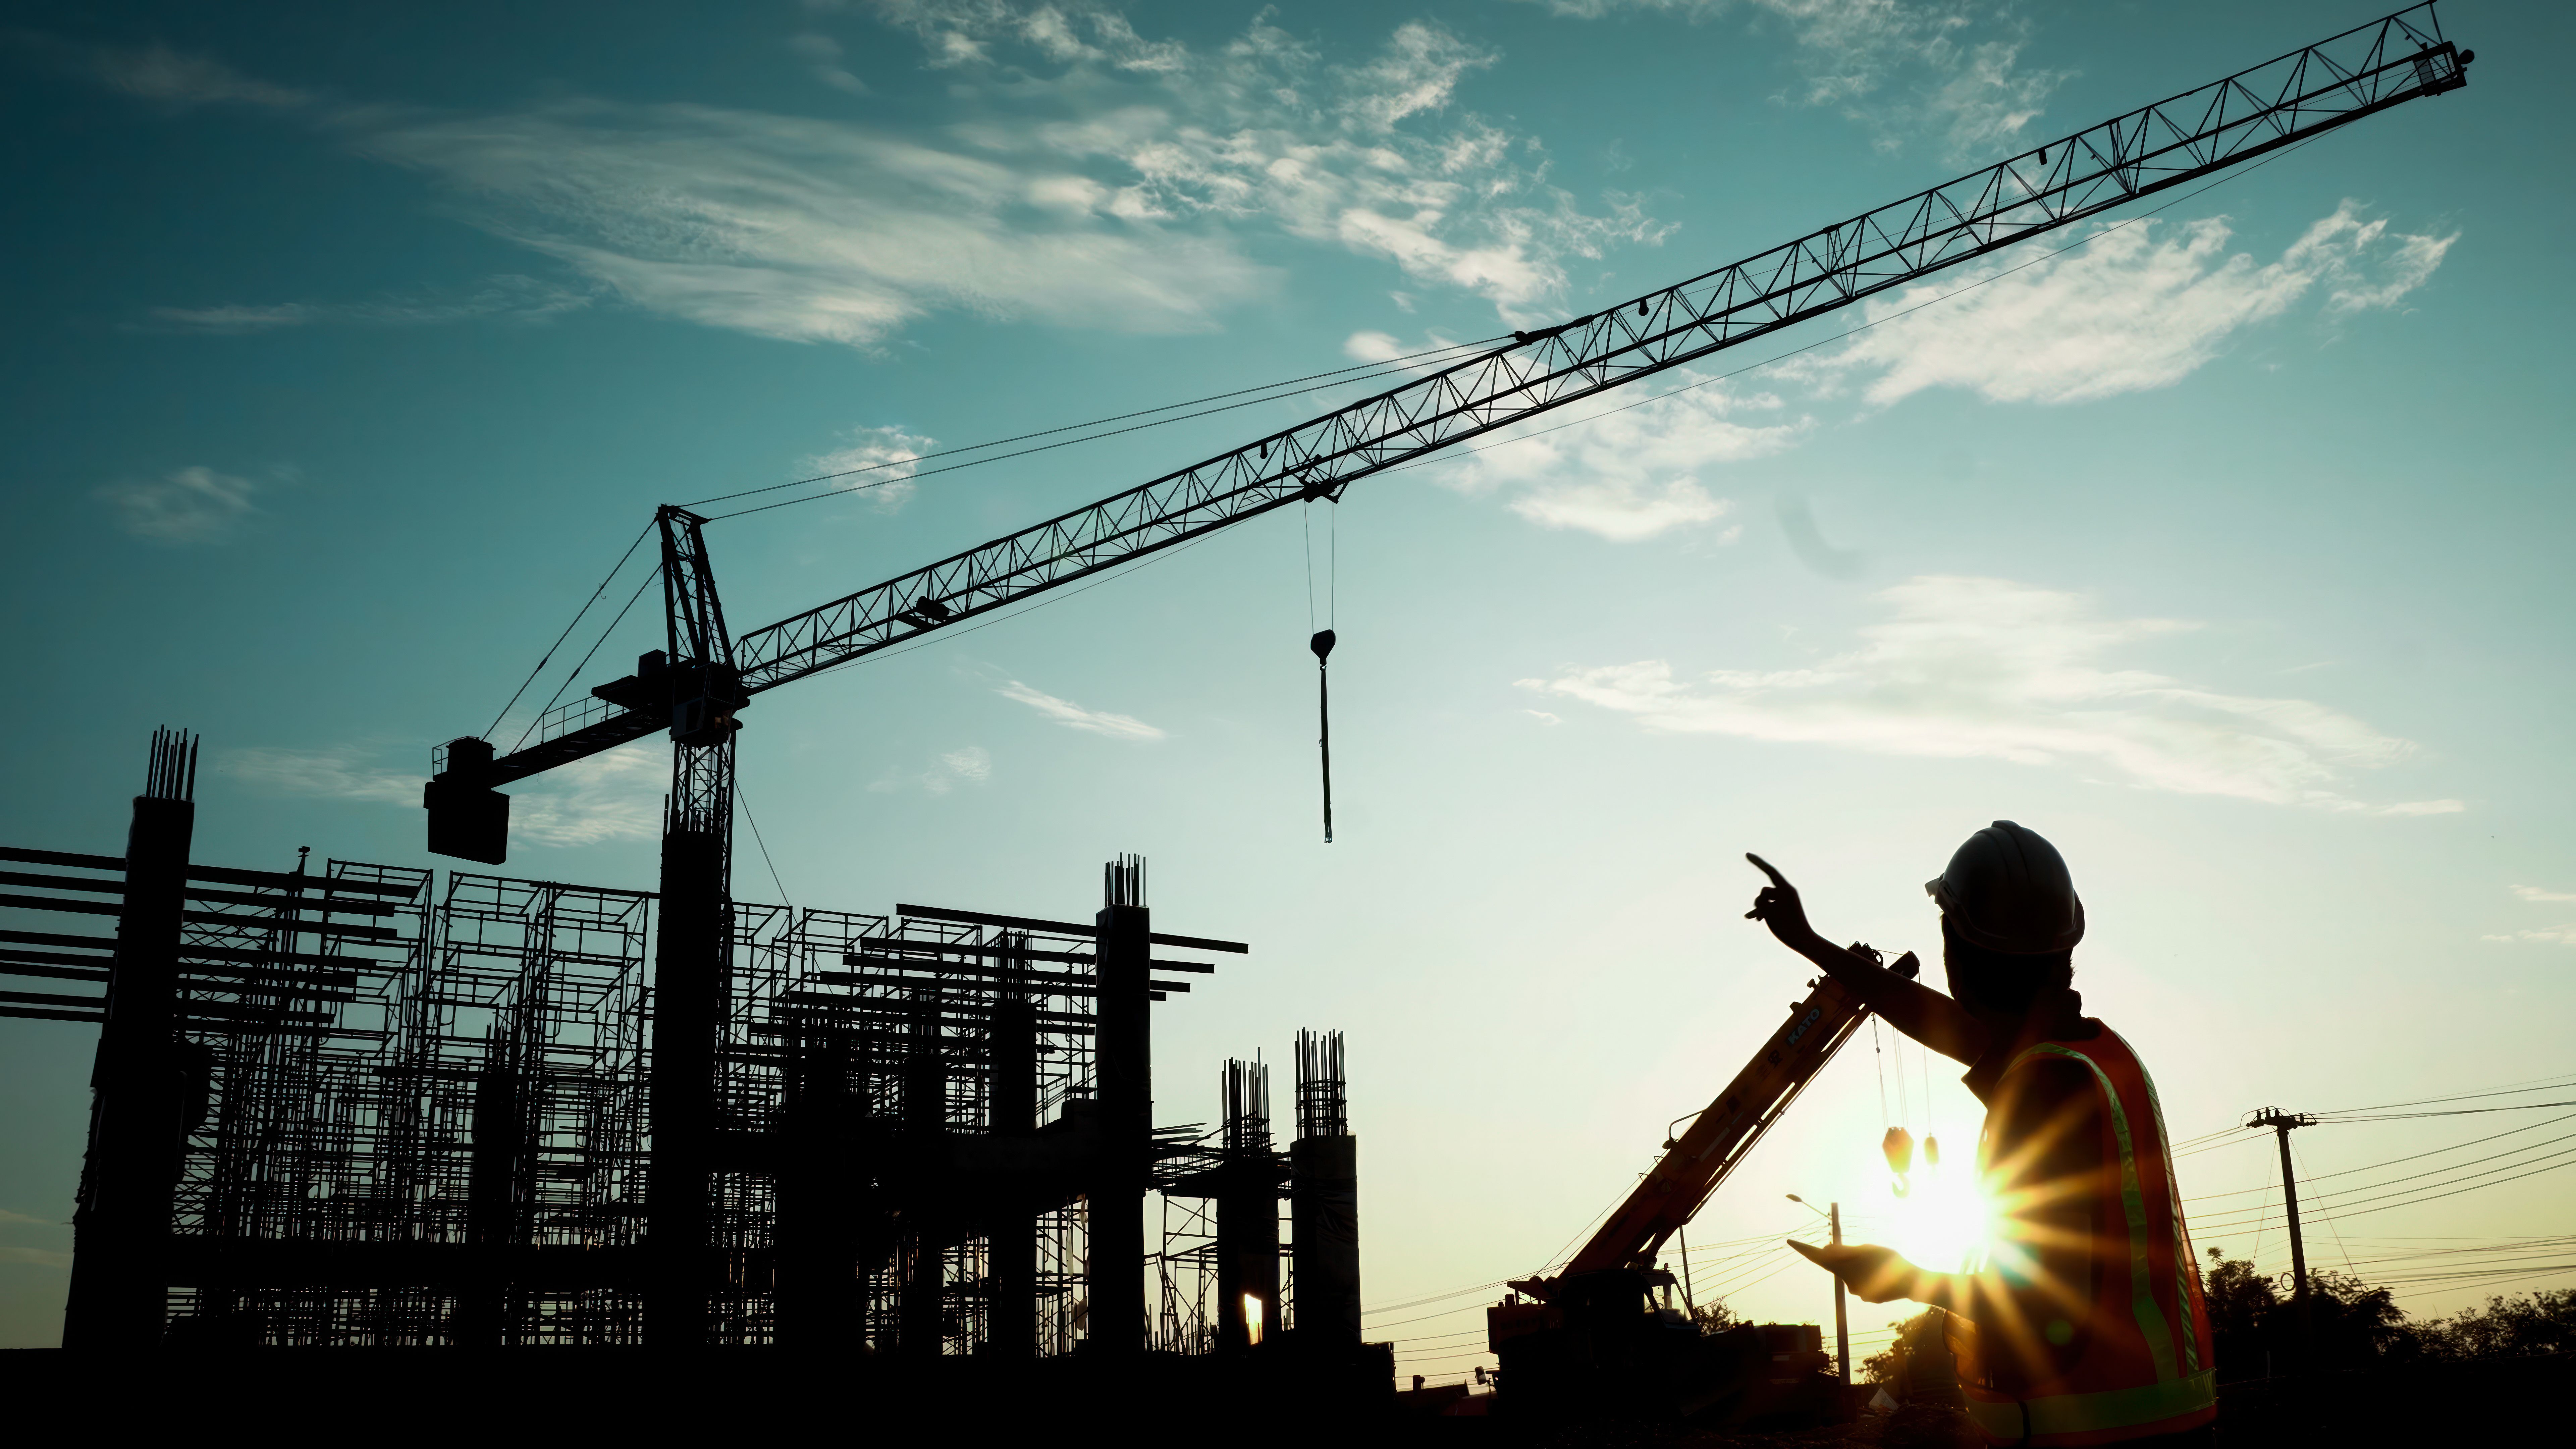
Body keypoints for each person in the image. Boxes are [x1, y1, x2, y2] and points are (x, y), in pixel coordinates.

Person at [1748, 822, 2215, 1447]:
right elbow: (1949, 1025)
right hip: (2152, 1426)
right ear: (2065, 948)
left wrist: (1903, 1279)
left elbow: (2049, 1311)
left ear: (1954, 957)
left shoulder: (2046, 1093)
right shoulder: (2093, 1056)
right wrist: (1811, 942)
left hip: (2085, 1440)